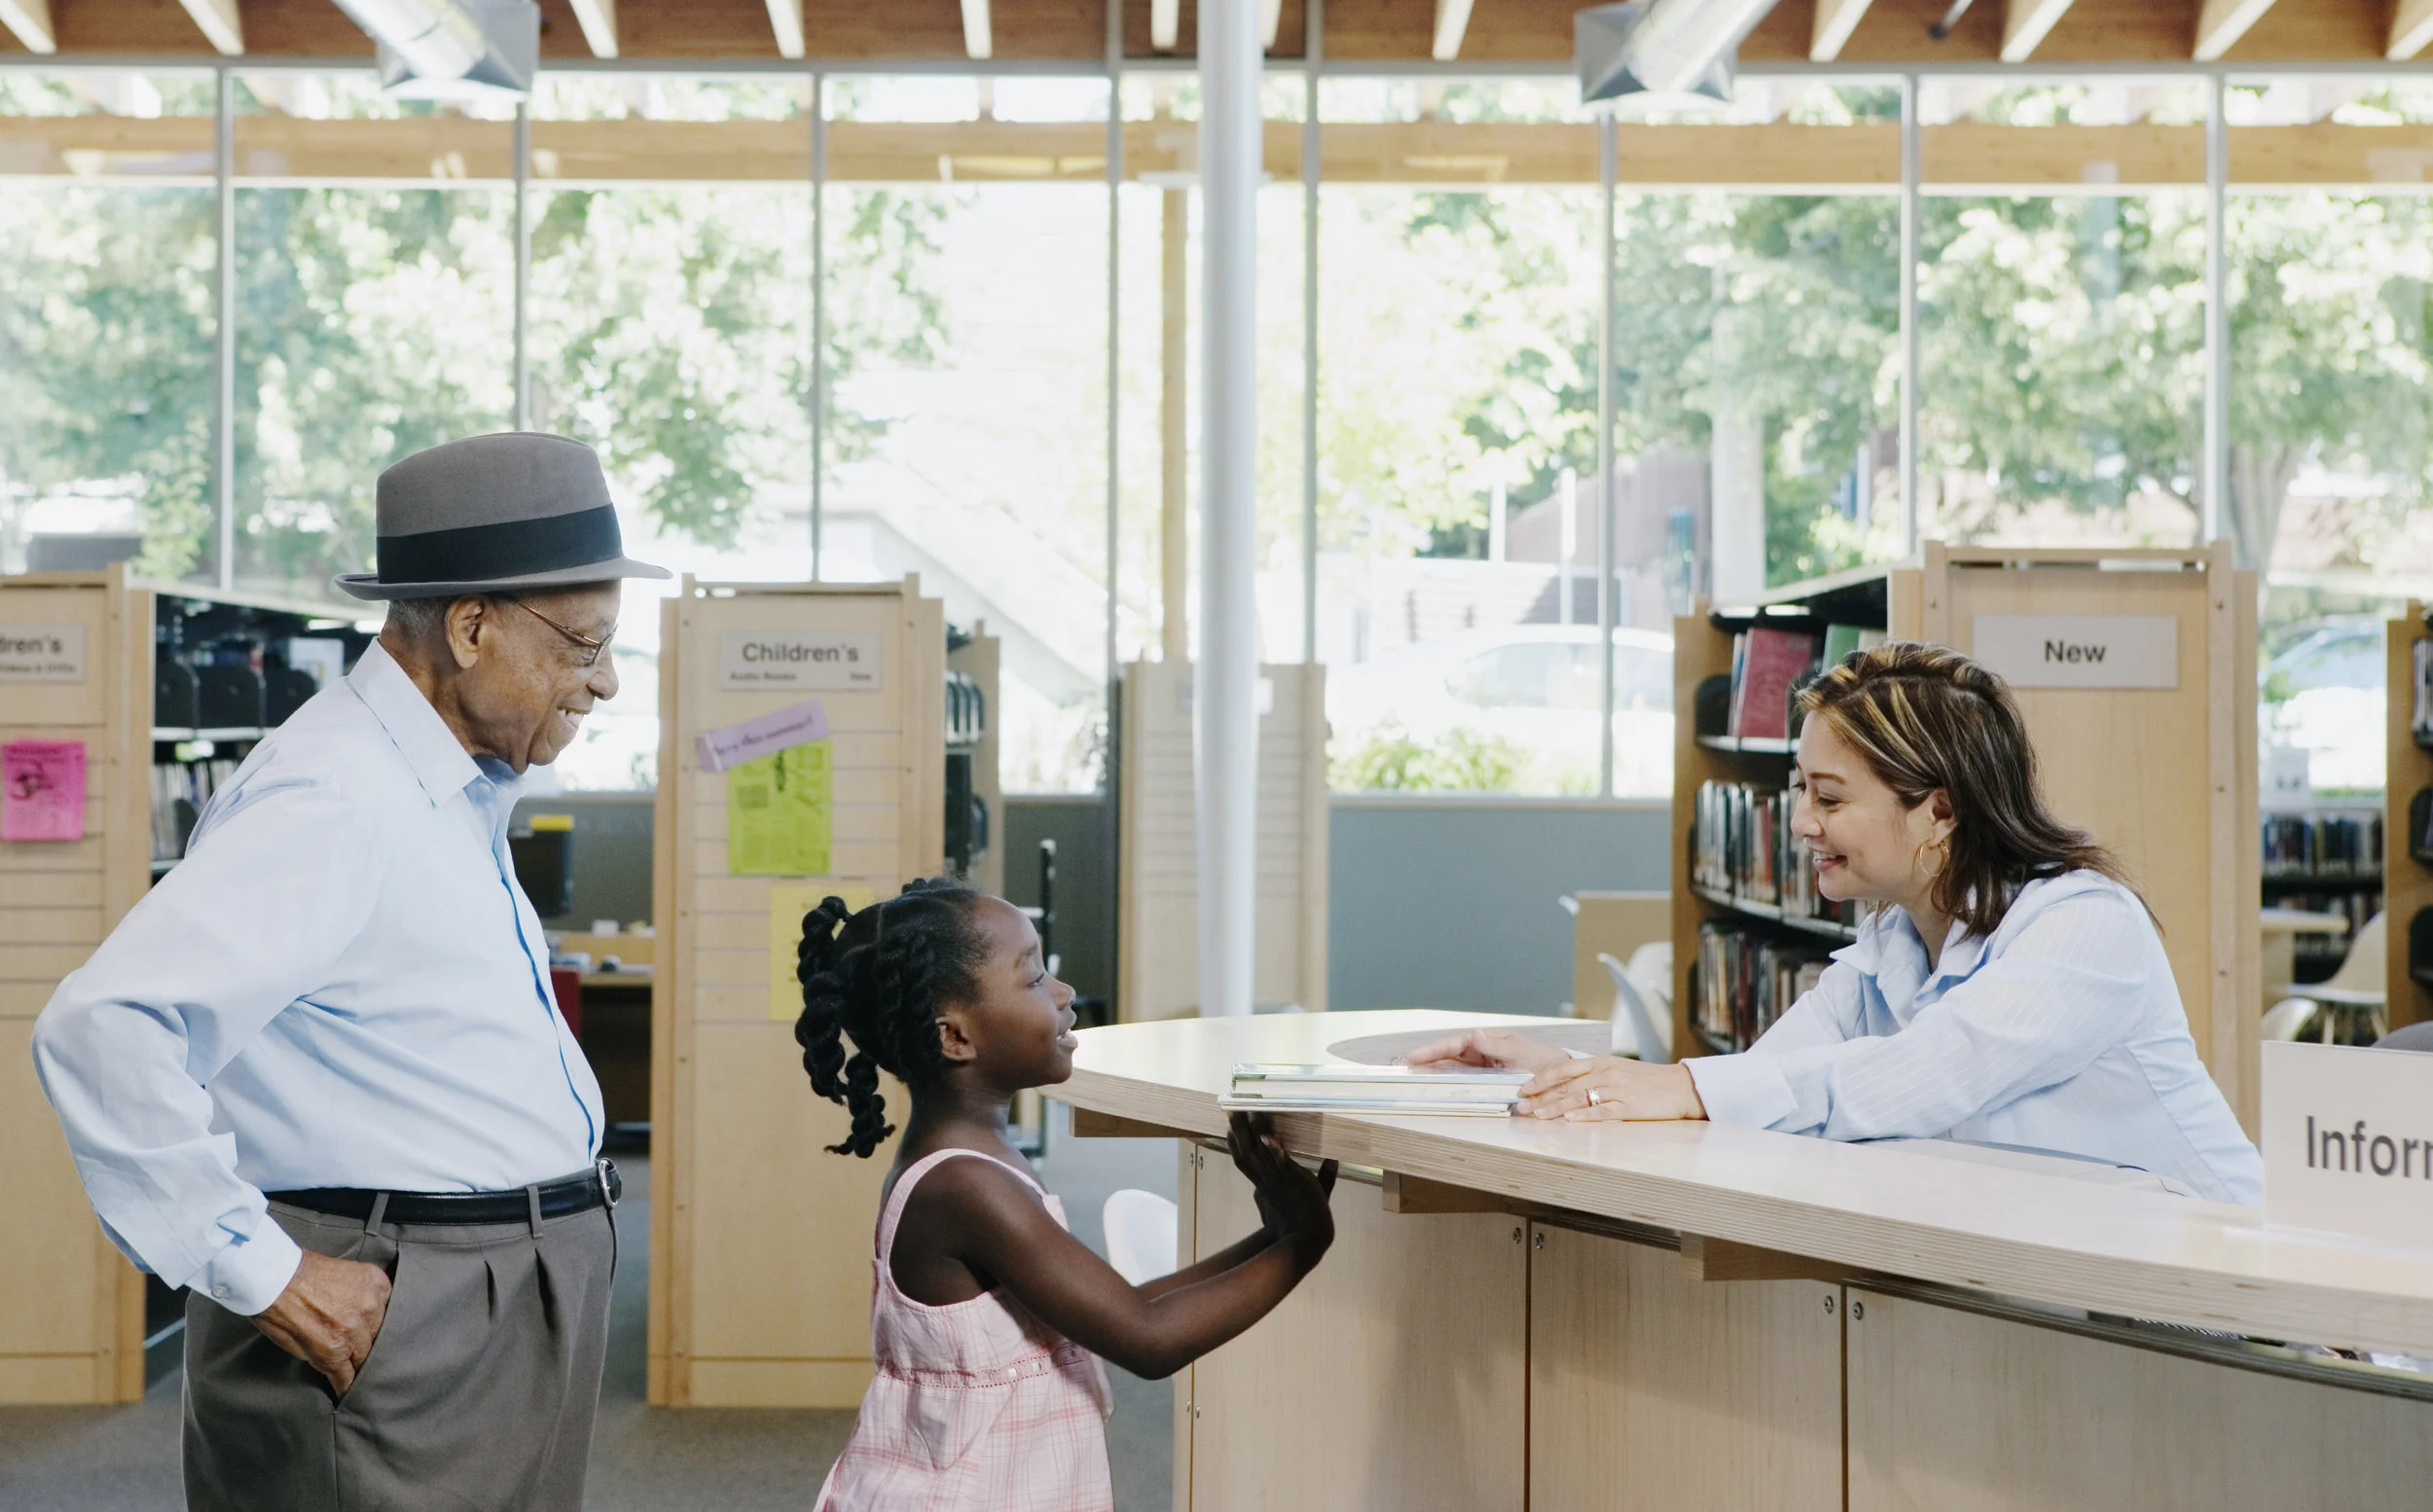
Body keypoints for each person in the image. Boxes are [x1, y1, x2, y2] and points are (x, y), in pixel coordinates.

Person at [32, 433, 671, 1511]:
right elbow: (104, 1028)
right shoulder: (333, 796)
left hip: (487, 1304)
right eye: (584, 643)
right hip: (404, 1315)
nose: (604, 680)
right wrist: (264, 1272)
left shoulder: (445, 784)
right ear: (471, 628)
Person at [1408, 640, 2265, 1206]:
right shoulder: (1891, 945)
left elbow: (1926, 1074)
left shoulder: (2085, 925)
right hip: (2070, 1287)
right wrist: (1566, 1078)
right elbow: (1759, 1086)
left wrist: (1677, 1087)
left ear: (1939, 810)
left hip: (2221, 1302)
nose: (1801, 823)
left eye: (1829, 797)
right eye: (1800, 791)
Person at [797, 879, 1338, 1512]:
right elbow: (1148, 1338)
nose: (1064, 992)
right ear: (955, 1037)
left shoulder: (971, 1160)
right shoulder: (965, 1185)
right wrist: (1305, 1243)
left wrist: (1274, 1236)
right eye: (1033, 978)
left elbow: (1121, 1306)